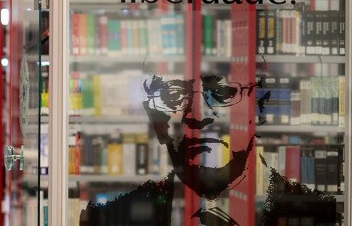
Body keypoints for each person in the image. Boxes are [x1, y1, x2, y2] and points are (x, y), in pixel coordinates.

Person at [79, 74, 341, 226]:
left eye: (222, 94)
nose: (195, 118)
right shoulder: (120, 213)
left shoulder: (303, 209)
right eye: (173, 98)